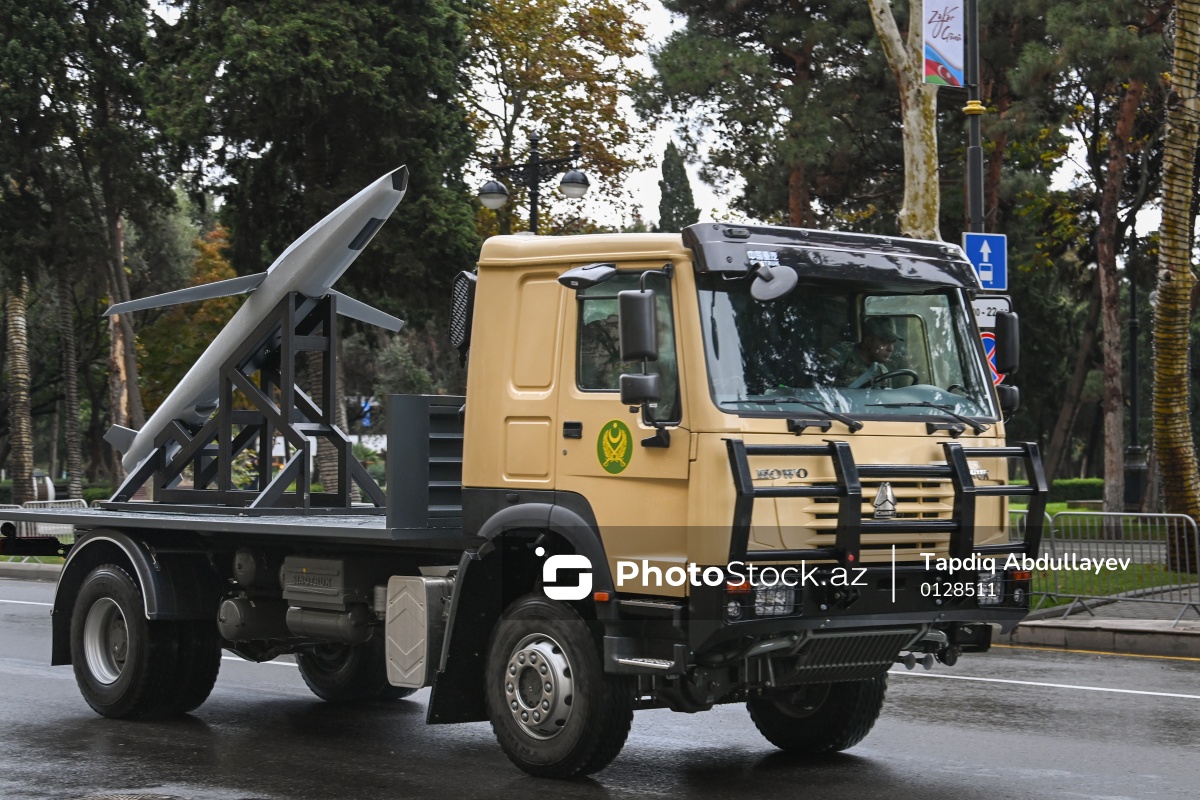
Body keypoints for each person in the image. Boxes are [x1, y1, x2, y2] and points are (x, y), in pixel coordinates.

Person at [825, 316, 903, 388]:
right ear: (868, 341)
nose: (891, 349)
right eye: (885, 342)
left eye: (893, 342)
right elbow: (818, 392)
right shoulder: (841, 355)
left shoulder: (882, 373)